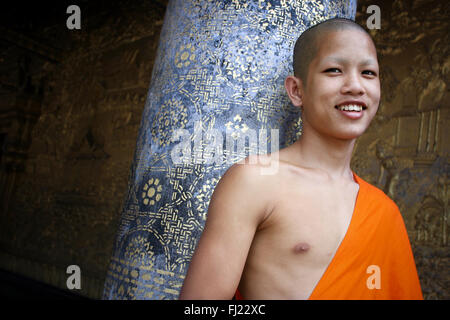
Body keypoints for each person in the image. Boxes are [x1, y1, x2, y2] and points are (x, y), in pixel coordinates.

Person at [179, 18, 423, 300]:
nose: (356, 86)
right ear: (297, 90)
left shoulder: (384, 212)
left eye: (368, 73)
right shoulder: (255, 180)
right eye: (334, 70)